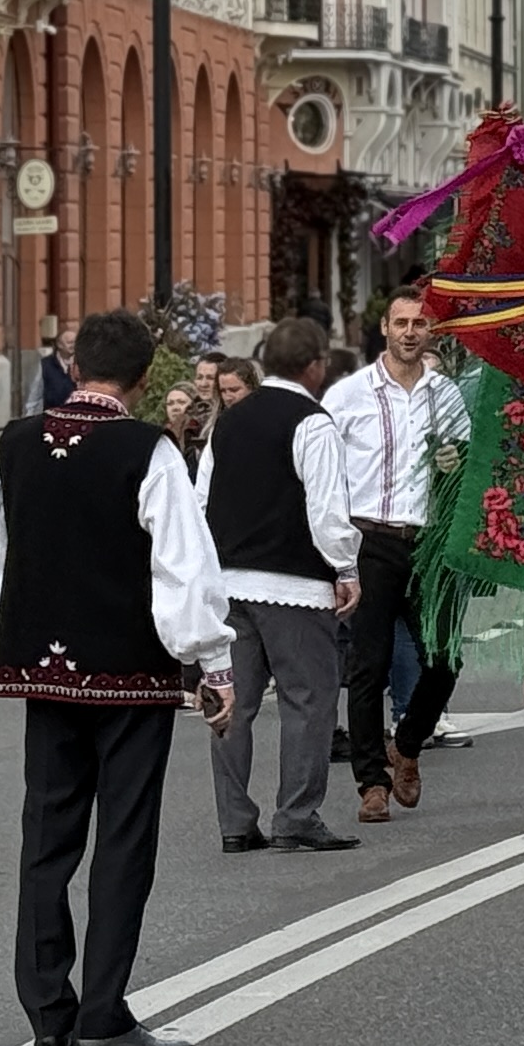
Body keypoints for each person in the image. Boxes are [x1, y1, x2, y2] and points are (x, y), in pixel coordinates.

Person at [0, 307, 236, 1046]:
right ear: (146, 376)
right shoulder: (145, 449)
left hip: (43, 673)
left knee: (46, 840)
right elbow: (183, 565)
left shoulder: (17, 444)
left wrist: (29, 631)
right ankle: (103, 1010)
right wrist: (209, 661)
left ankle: (48, 1017)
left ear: (73, 364)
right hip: (129, 672)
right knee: (123, 839)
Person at [202, 319, 362, 857]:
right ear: (316, 365)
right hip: (292, 580)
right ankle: (296, 814)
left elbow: (203, 502)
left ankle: (234, 820)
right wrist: (345, 568)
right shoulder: (311, 423)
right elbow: (326, 511)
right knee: (309, 699)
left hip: (227, 581)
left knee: (233, 703)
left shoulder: (226, 423)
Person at [326, 284, 471, 815]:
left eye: (420, 324)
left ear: (430, 332)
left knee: (444, 657)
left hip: (428, 542)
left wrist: (453, 466)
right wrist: (332, 543)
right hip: (370, 538)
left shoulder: (446, 394)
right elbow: (322, 469)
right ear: (385, 328)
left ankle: (406, 745)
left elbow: (464, 468)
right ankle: (372, 783)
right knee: (370, 663)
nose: (411, 333)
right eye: (402, 323)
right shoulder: (349, 394)